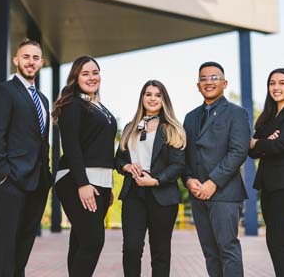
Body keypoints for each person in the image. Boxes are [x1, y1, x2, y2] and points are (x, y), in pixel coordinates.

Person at [0, 38, 52, 277]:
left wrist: (47, 174)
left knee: (23, 245)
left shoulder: (42, 99)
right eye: (26, 57)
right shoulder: (5, 91)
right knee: (5, 246)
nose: (30, 62)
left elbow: (43, 142)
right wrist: (3, 175)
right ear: (16, 60)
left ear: (41, 62)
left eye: (35, 58)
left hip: (37, 182)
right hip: (11, 181)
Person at [182, 61, 251, 277]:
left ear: (224, 83)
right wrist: (188, 179)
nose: (209, 82)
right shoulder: (190, 117)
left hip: (225, 194)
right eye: (204, 78)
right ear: (197, 85)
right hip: (198, 195)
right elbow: (184, 155)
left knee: (227, 249)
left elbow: (238, 151)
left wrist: (213, 182)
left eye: (214, 77)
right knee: (210, 253)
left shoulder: (236, 113)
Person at [52, 55, 117, 277]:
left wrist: (108, 186)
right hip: (75, 179)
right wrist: (83, 184)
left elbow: (103, 148)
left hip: (99, 183)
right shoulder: (73, 104)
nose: (92, 77)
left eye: (95, 72)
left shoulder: (98, 105)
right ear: (75, 78)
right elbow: (71, 146)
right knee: (93, 240)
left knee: (80, 240)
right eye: (85, 73)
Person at [115, 80, 186, 277]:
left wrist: (155, 180)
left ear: (164, 100)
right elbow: (119, 158)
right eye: (148, 94)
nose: (152, 98)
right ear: (142, 98)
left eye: (157, 95)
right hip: (133, 194)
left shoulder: (172, 128)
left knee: (160, 252)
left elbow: (178, 165)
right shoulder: (131, 127)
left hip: (162, 194)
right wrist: (126, 166)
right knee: (131, 248)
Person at [248, 68, 284, 277]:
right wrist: (264, 143)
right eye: (272, 83)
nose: (276, 87)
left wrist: (260, 142)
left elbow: (279, 145)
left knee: (276, 243)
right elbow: (251, 151)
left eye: (282, 83)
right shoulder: (268, 117)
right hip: (270, 187)